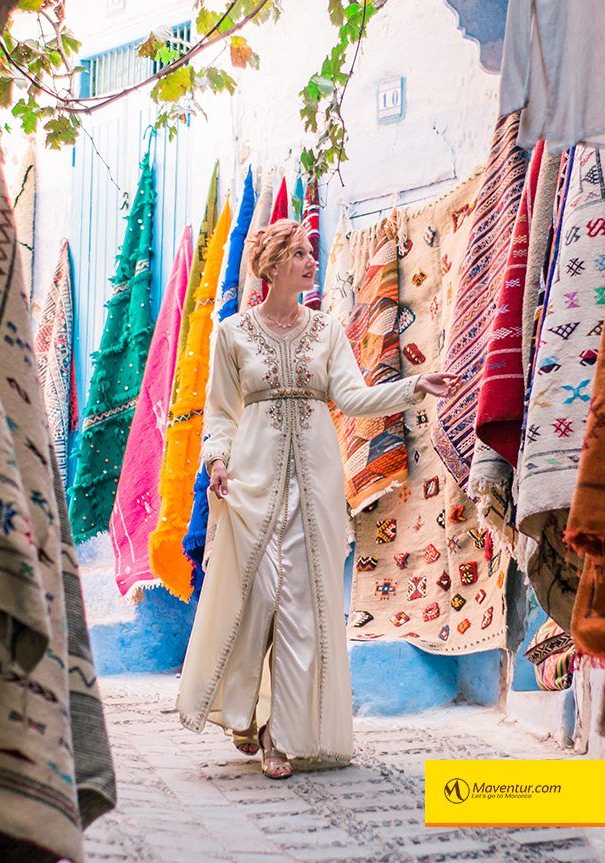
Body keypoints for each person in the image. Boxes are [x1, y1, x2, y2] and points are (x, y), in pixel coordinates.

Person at [176, 218, 459, 779]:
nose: (311, 261)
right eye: (301, 253)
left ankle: (280, 736)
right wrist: (216, 461)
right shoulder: (232, 333)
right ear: (274, 263)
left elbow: (351, 397)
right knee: (254, 598)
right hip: (252, 481)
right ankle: (243, 710)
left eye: (310, 252)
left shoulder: (326, 330)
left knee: (301, 606)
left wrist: (411, 388)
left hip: (315, 484)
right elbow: (220, 411)